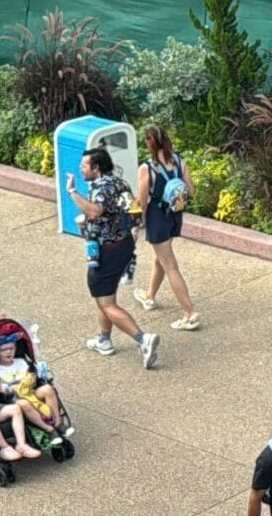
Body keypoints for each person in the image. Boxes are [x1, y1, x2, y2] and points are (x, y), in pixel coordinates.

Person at [66, 147, 159, 369]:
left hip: (107, 251)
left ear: (96, 168)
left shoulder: (101, 188)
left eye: (85, 165)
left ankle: (142, 339)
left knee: (105, 303)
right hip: (124, 245)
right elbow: (130, 210)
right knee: (107, 296)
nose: (81, 168)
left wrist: (72, 192)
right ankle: (104, 340)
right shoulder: (119, 183)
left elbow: (95, 211)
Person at [134, 126, 201, 330]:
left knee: (170, 264)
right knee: (161, 257)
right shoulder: (179, 161)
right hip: (174, 215)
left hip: (157, 218)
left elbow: (143, 201)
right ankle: (149, 296)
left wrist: (136, 222)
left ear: (149, 143)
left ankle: (189, 313)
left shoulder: (147, 168)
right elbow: (191, 191)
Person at [0, 334, 65, 433]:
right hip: (14, 397)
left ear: (15, 349)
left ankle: (57, 422)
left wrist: (30, 380)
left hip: (30, 391)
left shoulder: (21, 362)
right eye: (4, 350)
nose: (8, 352)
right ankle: (50, 429)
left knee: (47, 388)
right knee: (24, 403)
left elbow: (32, 378)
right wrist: (11, 388)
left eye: (11, 349)